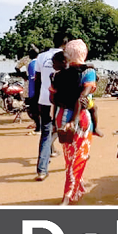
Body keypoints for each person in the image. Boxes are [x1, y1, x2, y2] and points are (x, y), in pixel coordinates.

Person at [50, 39, 96, 205]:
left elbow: (52, 98)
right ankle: (68, 195)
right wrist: (74, 119)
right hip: (80, 119)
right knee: (79, 159)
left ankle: (77, 189)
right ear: (84, 54)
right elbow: (84, 96)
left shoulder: (57, 75)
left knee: (69, 158)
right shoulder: (88, 72)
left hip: (61, 116)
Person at [34, 32, 68, 182]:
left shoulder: (41, 57)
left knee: (46, 133)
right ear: (65, 43)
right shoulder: (66, 56)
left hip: (44, 100)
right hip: (61, 101)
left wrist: (35, 102)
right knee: (68, 129)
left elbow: (37, 81)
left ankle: (42, 170)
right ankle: (73, 161)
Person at [26, 47, 40, 134]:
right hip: (38, 90)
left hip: (33, 90)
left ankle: (38, 128)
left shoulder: (32, 64)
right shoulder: (39, 62)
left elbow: (33, 78)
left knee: (34, 110)